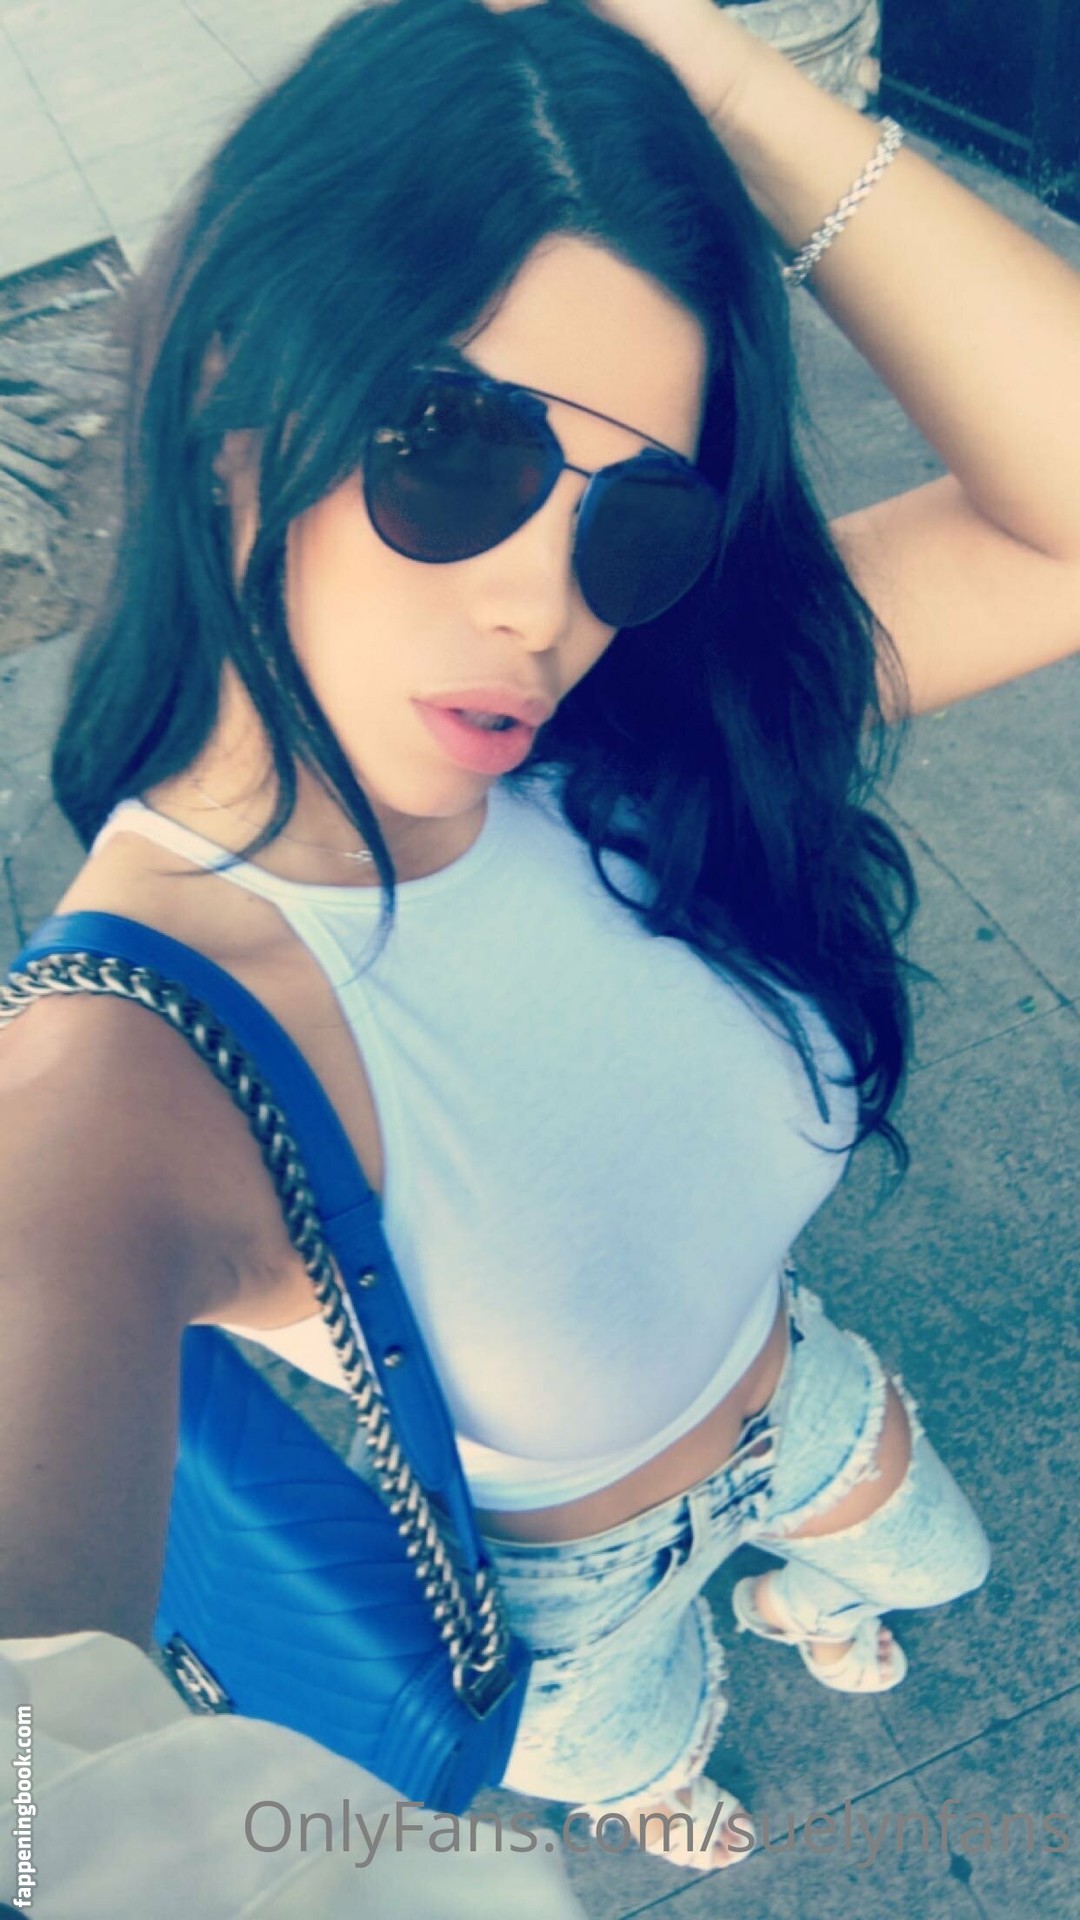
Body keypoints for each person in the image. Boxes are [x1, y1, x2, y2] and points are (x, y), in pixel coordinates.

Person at [2, 0, 1078, 1881]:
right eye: (455, 448)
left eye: (638, 520)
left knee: (935, 1564)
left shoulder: (640, 732)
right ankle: (654, 1773)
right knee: (643, 1755)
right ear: (234, 400)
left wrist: (711, 74)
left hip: (804, 1389)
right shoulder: (125, 1073)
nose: (542, 608)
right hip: (565, 1594)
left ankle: (796, 1602)